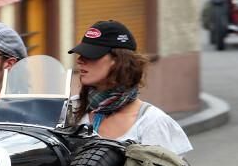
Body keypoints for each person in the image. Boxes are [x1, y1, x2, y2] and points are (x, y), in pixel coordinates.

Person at [70, 19, 191, 155]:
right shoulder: (70, 109)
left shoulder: (152, 122)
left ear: (118, 60)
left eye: (91, 55)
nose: (80, 60)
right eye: (81, 54)